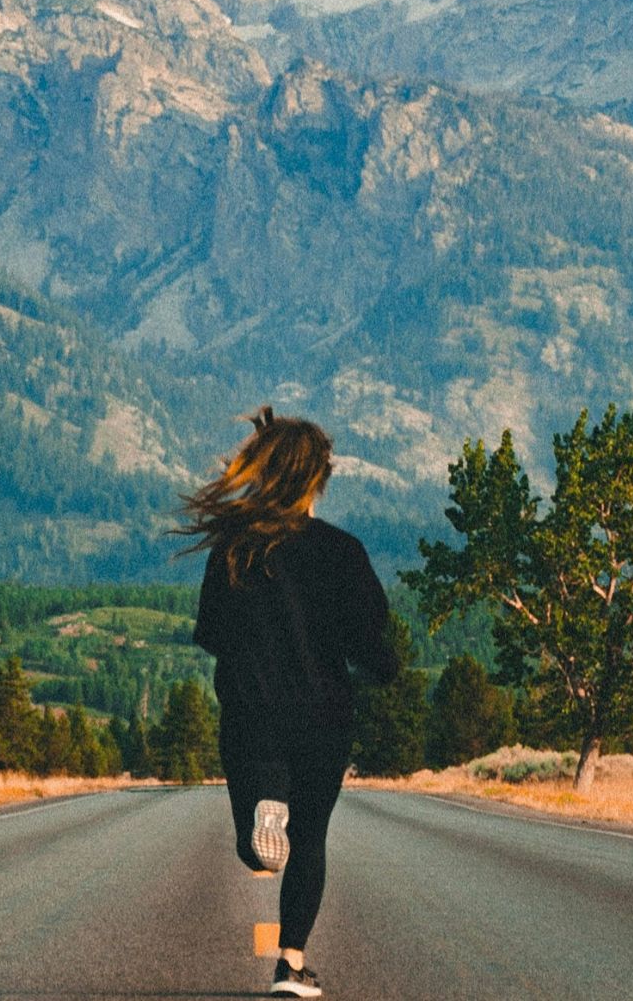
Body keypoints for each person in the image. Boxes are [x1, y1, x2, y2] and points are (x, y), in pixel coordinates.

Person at [177, 407, 399, 998]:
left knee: (258, 830)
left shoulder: (234, 549)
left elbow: (212, 635)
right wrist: (386, 669)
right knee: (311, 839)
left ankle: (259, 813)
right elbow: (368, 637)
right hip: (323, 715)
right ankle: (291, 966)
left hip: (251, 712)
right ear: (317, 479)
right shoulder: (342, 551)